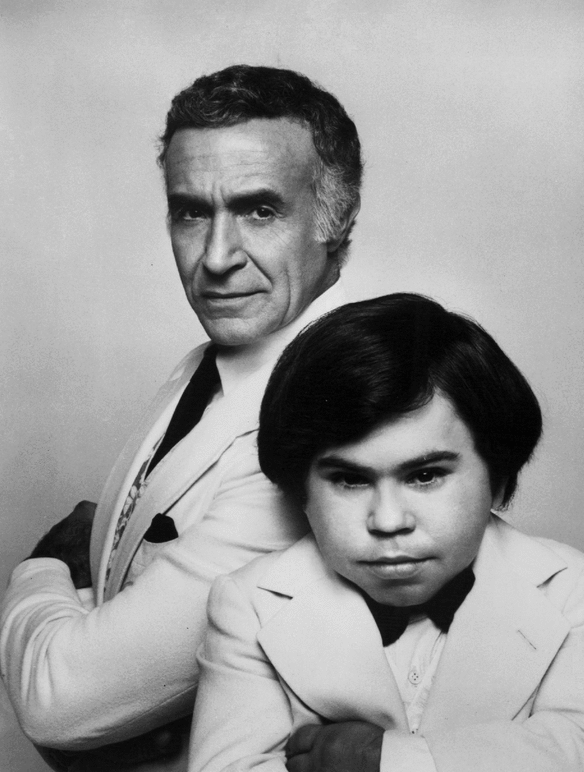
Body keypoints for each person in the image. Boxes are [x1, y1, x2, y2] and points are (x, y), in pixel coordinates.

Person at [0, 64, 362, 771]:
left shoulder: (328, 426)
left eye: (260, 211)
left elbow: (60, 702)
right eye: (192, 212)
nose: (216, 259)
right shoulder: (213, 358)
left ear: (335, 223)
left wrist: (43, 566)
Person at [189, 293, 584, 772]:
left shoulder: (580, 592)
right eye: (349, 479)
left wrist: (379, 760)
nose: (387, 521)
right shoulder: (247, 604)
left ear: (499, 476)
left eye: (425, 476)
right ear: (300, 490)